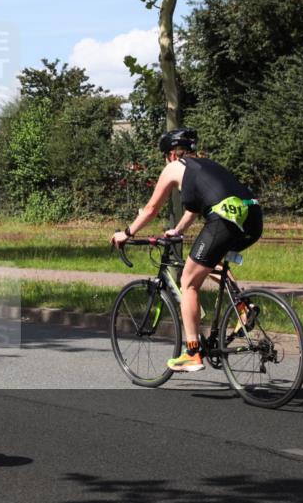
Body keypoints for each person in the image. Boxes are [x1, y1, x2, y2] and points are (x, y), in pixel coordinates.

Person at [110, 128, 263, 372]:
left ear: (171, 154)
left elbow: (151, 209)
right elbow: (194, 209)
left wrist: (126, 233)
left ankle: (192, 352)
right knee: (207, 261)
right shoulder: (205, 165)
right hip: (252, 217)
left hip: (224, 218)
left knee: (188, 282)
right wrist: (178, 231)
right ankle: (244, 307)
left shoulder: (173, 167)